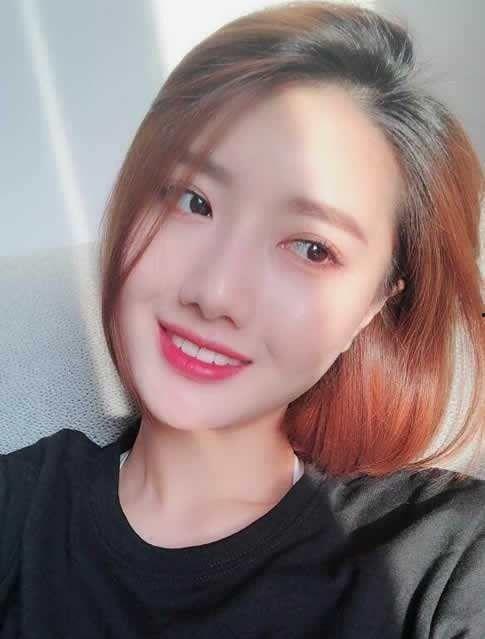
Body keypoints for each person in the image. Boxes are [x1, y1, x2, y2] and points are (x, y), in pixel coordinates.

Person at [1, 1, 484, 636]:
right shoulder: (17, 511)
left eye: (311, 248)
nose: (215, 293)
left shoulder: (444, 563)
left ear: (372, 306)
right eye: (194, 201)